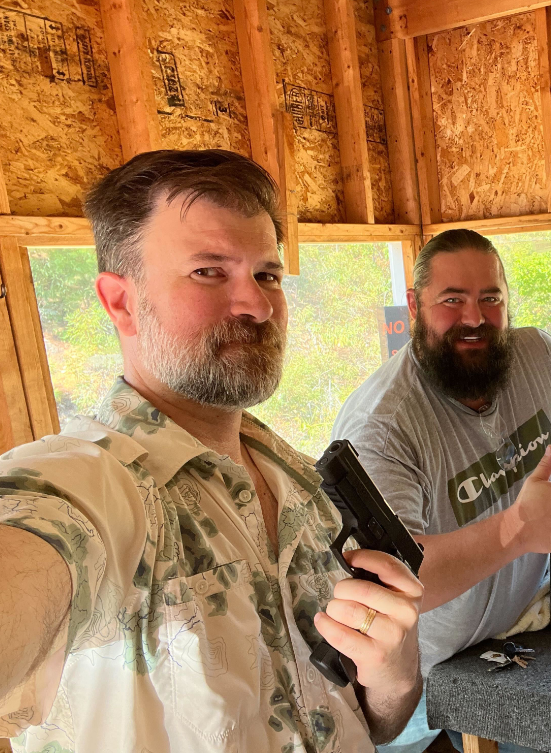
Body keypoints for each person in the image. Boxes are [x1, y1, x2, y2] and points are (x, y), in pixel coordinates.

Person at [0, 150, 423, 753]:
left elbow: (375, 722)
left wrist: (396, 673)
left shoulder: (304, 483)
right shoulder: (94, 487)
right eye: (208, 272)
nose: (256, 305)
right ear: (120, 302)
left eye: (268, 275)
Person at [331, 229, 551, 751]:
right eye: (453, 300)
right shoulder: (381, 425)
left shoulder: (540, 356)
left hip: (534, 620)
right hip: (446, 667)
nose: (474, 318)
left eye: (490, 299)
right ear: (415, 305)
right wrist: (517, 530)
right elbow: (397, 580)